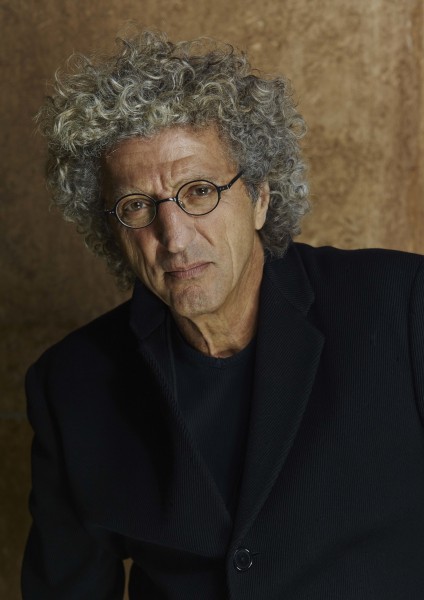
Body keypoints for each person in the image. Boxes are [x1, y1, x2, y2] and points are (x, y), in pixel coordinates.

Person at [22, 30, 424, 600]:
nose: (174, 237)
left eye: (199, 192)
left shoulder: (403, 305)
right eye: (137, 206)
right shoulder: (70, 384)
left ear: (259, 197)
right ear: (113, 232)